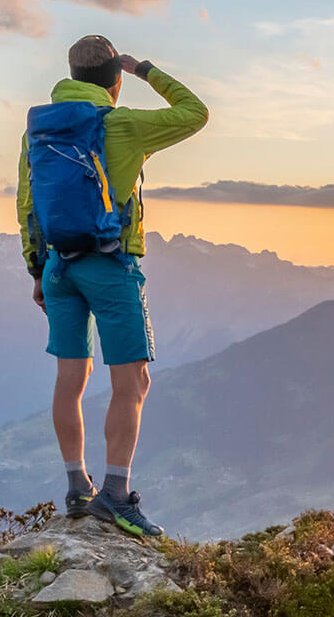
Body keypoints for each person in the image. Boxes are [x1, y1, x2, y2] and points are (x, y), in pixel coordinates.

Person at [16, 35, 207, 537]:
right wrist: (146, 68)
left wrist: (38, 269)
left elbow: (27, 202)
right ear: (114, 81)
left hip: (58, 266)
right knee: (133, 382)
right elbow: (195, 112)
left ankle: (78, 489)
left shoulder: (38, 130)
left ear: (72, 76)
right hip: (111, 264)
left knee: (70, 379)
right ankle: (116, 496)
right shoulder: (122, 124)